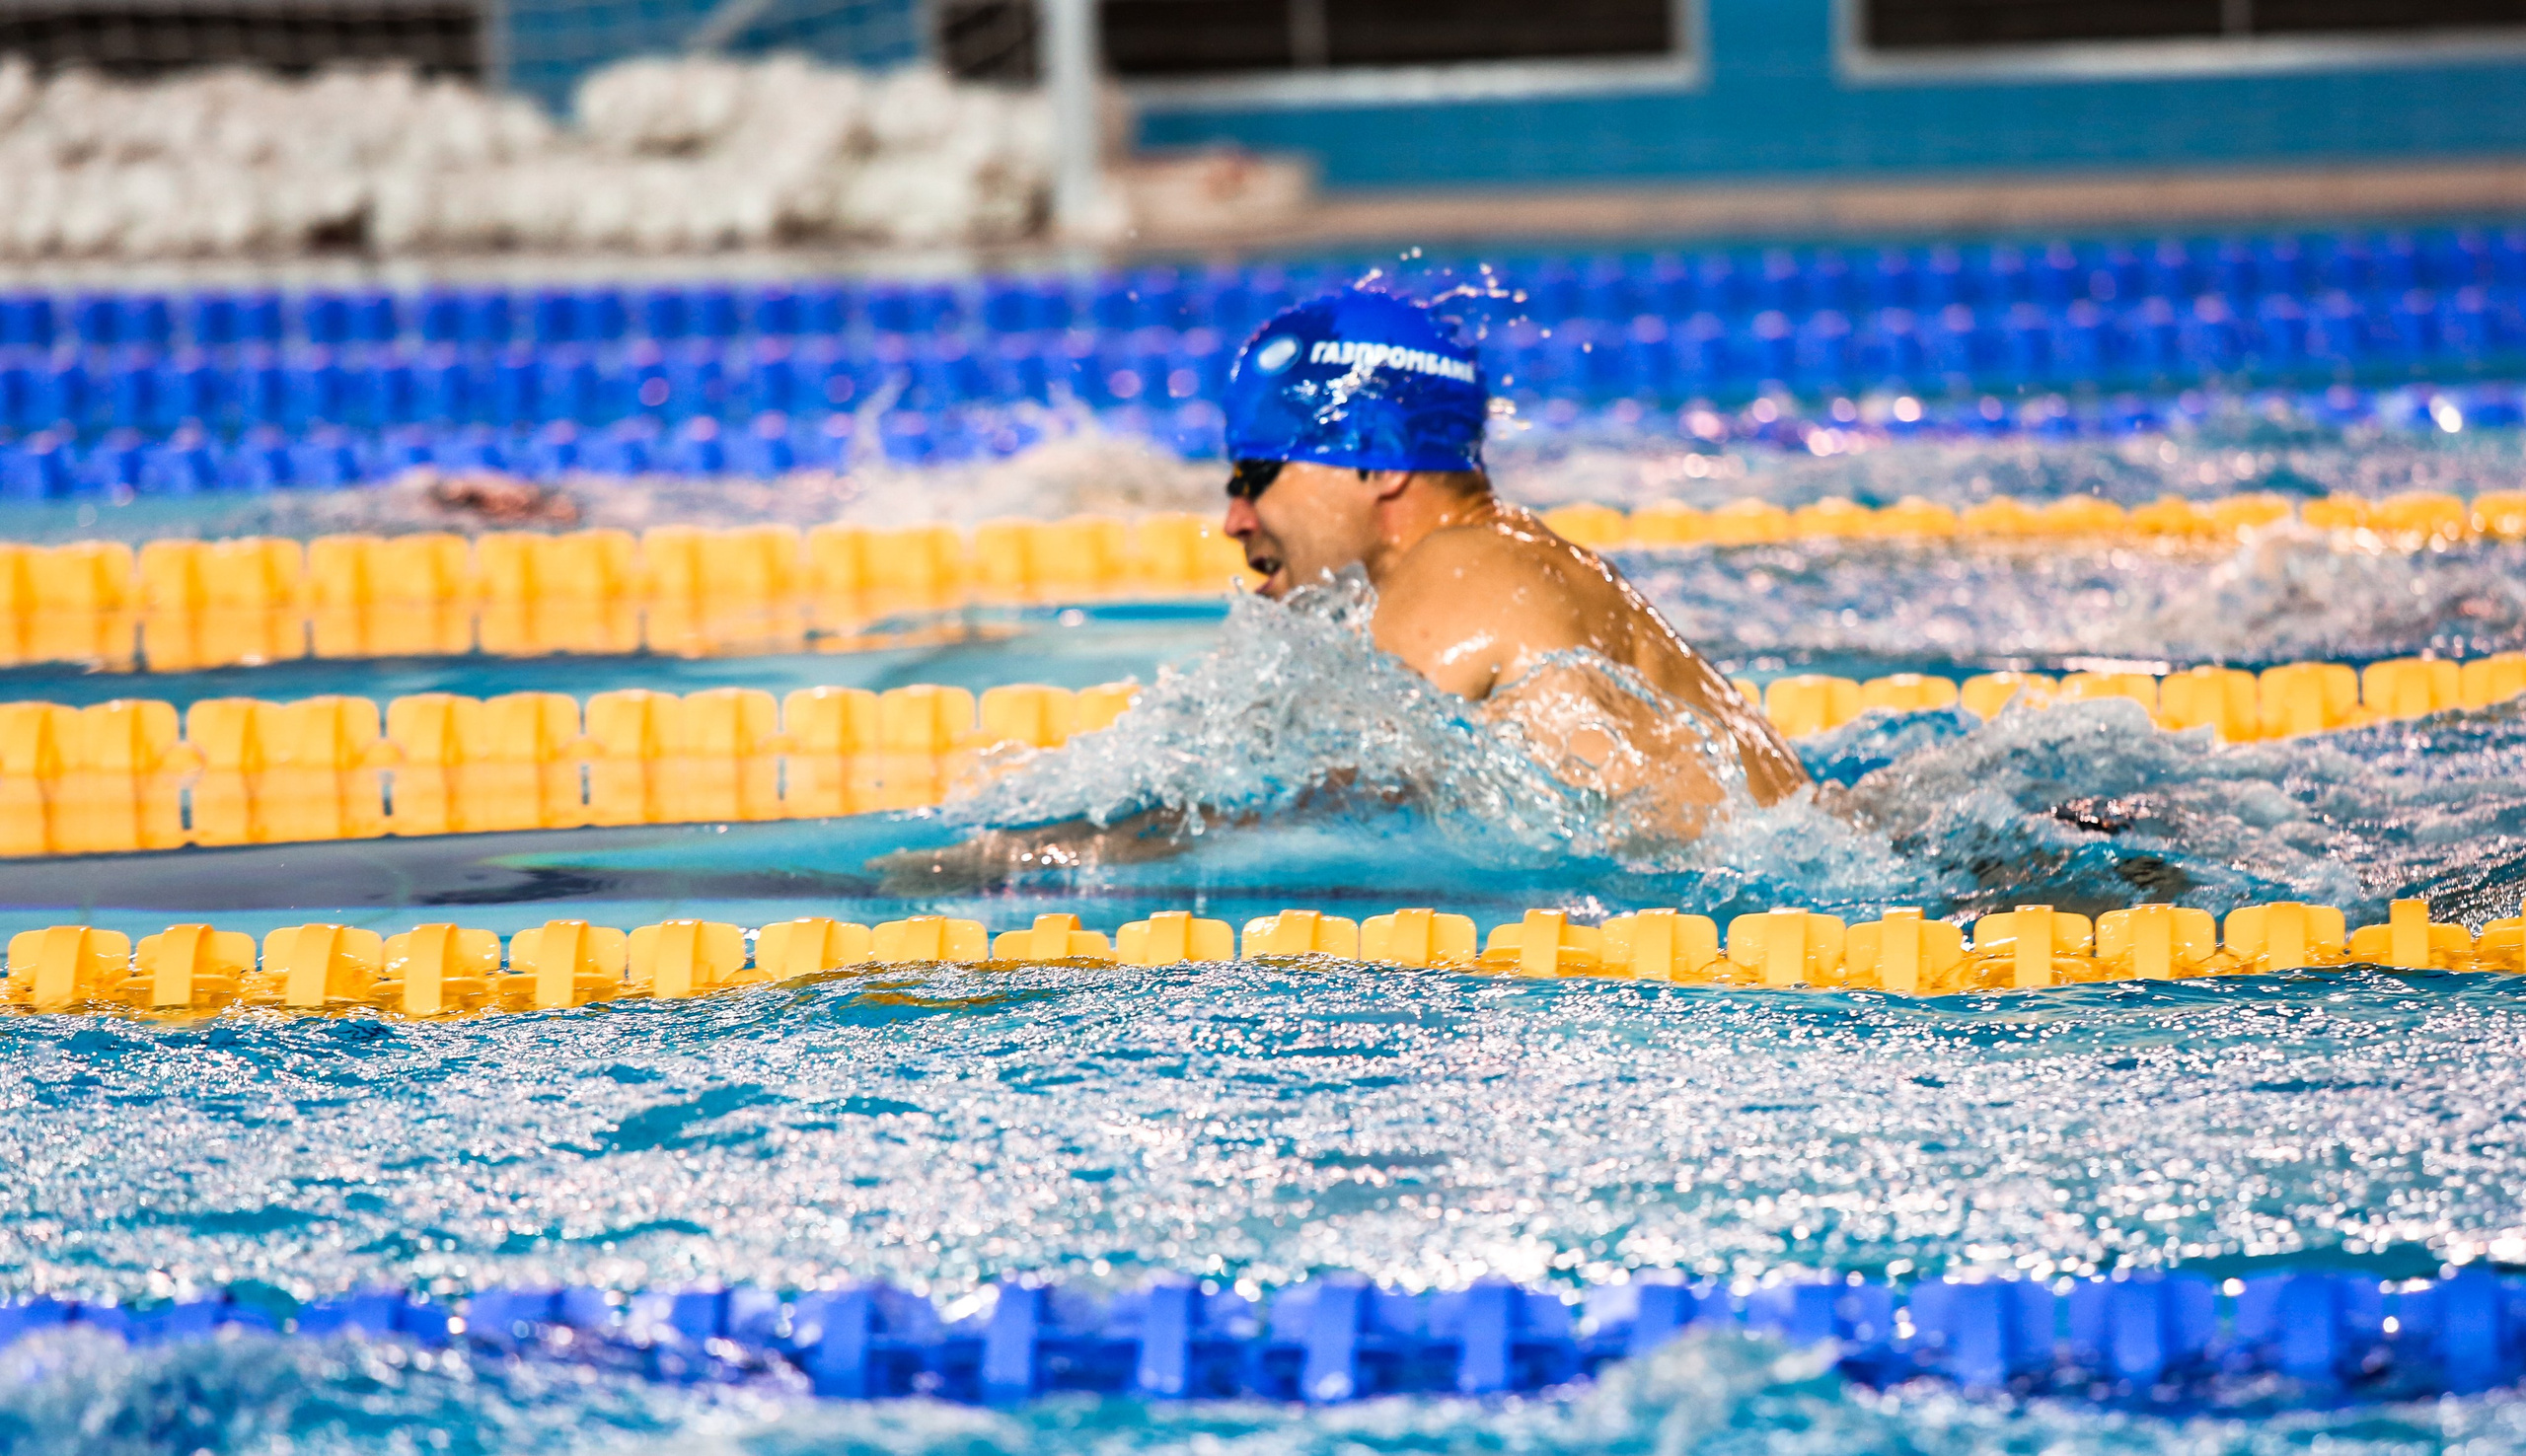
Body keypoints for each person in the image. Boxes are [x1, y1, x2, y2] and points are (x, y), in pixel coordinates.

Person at [1219, 287, 1808, 831]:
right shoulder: (1524, 559)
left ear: (1380, 453)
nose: (1235, 521)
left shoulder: (1462, 570)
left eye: (1255, 477)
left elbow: (1321, 820)